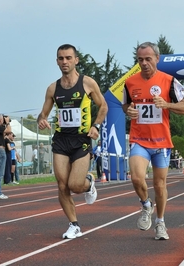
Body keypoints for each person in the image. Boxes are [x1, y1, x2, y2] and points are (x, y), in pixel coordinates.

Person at [37, 43, 108, 239]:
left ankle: (89, 183)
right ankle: (74, 224)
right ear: (57, 61)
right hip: (61, 140)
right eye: (61, 58)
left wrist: (96, 126)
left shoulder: (88, 83)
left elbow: (103, 106)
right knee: (62, 185)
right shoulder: (53, 88)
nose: (64, 61)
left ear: (76, 60)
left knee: (75, 185)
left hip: (81, 140)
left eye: (68, 58)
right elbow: (42, 114)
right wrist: (42, 120)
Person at [122, 41, 184, 240]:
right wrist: (129, 111)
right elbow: (125, 105)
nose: (144, 63)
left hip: (161, 142)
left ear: (157, 59)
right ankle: (145, 204)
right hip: (139, 139)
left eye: (148, 59)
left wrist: (166, 104)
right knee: (136, 178)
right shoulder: (130, 82)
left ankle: (160, 222)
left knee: (160, 185)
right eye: (140, 59)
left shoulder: (169, 81)